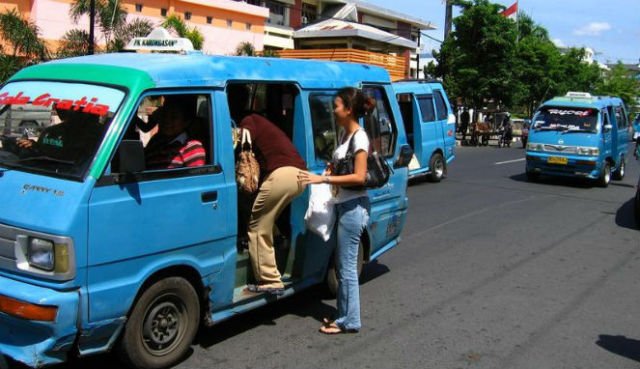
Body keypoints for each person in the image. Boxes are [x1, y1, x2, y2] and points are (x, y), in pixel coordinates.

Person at [298, 87, 373, 334]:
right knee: (343, 265)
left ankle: (350, 321)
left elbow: (360, 176)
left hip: (354, 208)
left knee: (347, 267)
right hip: (344, 205)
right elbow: (342, 166)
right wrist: (329, 170)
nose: (334, 109)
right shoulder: (344, 135)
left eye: (338, 105)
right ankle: (343, 315)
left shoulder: (360, 138)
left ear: (349, 109)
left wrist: (325, 181)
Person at [226, 84, 307, 296]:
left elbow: (238, 142)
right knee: (261, 213)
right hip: (296, 175)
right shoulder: (259, 119)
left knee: (256, 226)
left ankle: (270, 280)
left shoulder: (249, 121)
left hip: (282, 174)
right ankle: (278, 240)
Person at [17, 105, 102, 162]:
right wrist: (33, 146)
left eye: (75, 109)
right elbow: (43, 152)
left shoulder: (103, 136)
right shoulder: (51, 132)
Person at [144, 98, 206, 169]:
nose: (167, 120)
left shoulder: (192, 147)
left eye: (174, 117)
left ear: (186, 122)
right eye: (164, 115)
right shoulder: (155, 141)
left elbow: (195, 179)